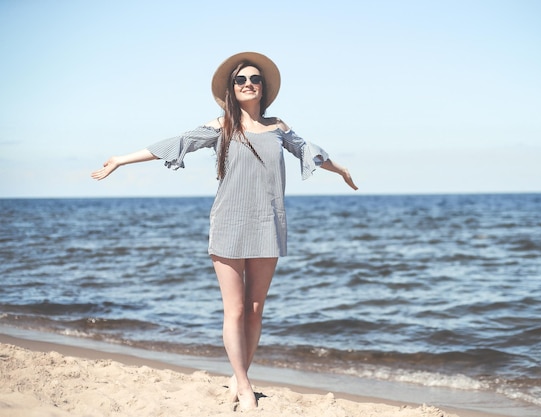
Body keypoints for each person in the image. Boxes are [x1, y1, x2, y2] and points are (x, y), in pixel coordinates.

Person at [91, 51, 357, 410]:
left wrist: (340, 170)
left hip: (269, 224)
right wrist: (121, 160)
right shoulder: (221, 126)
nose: (248, 84)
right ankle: (245, 385)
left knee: (255, 309)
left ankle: (238, 376)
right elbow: (176, 143)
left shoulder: (279, 127)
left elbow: (310, 152)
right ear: (232, 89)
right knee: (233, 310)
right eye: (241, 80)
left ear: (263, 88)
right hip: (229, 224)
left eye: (255, 79)